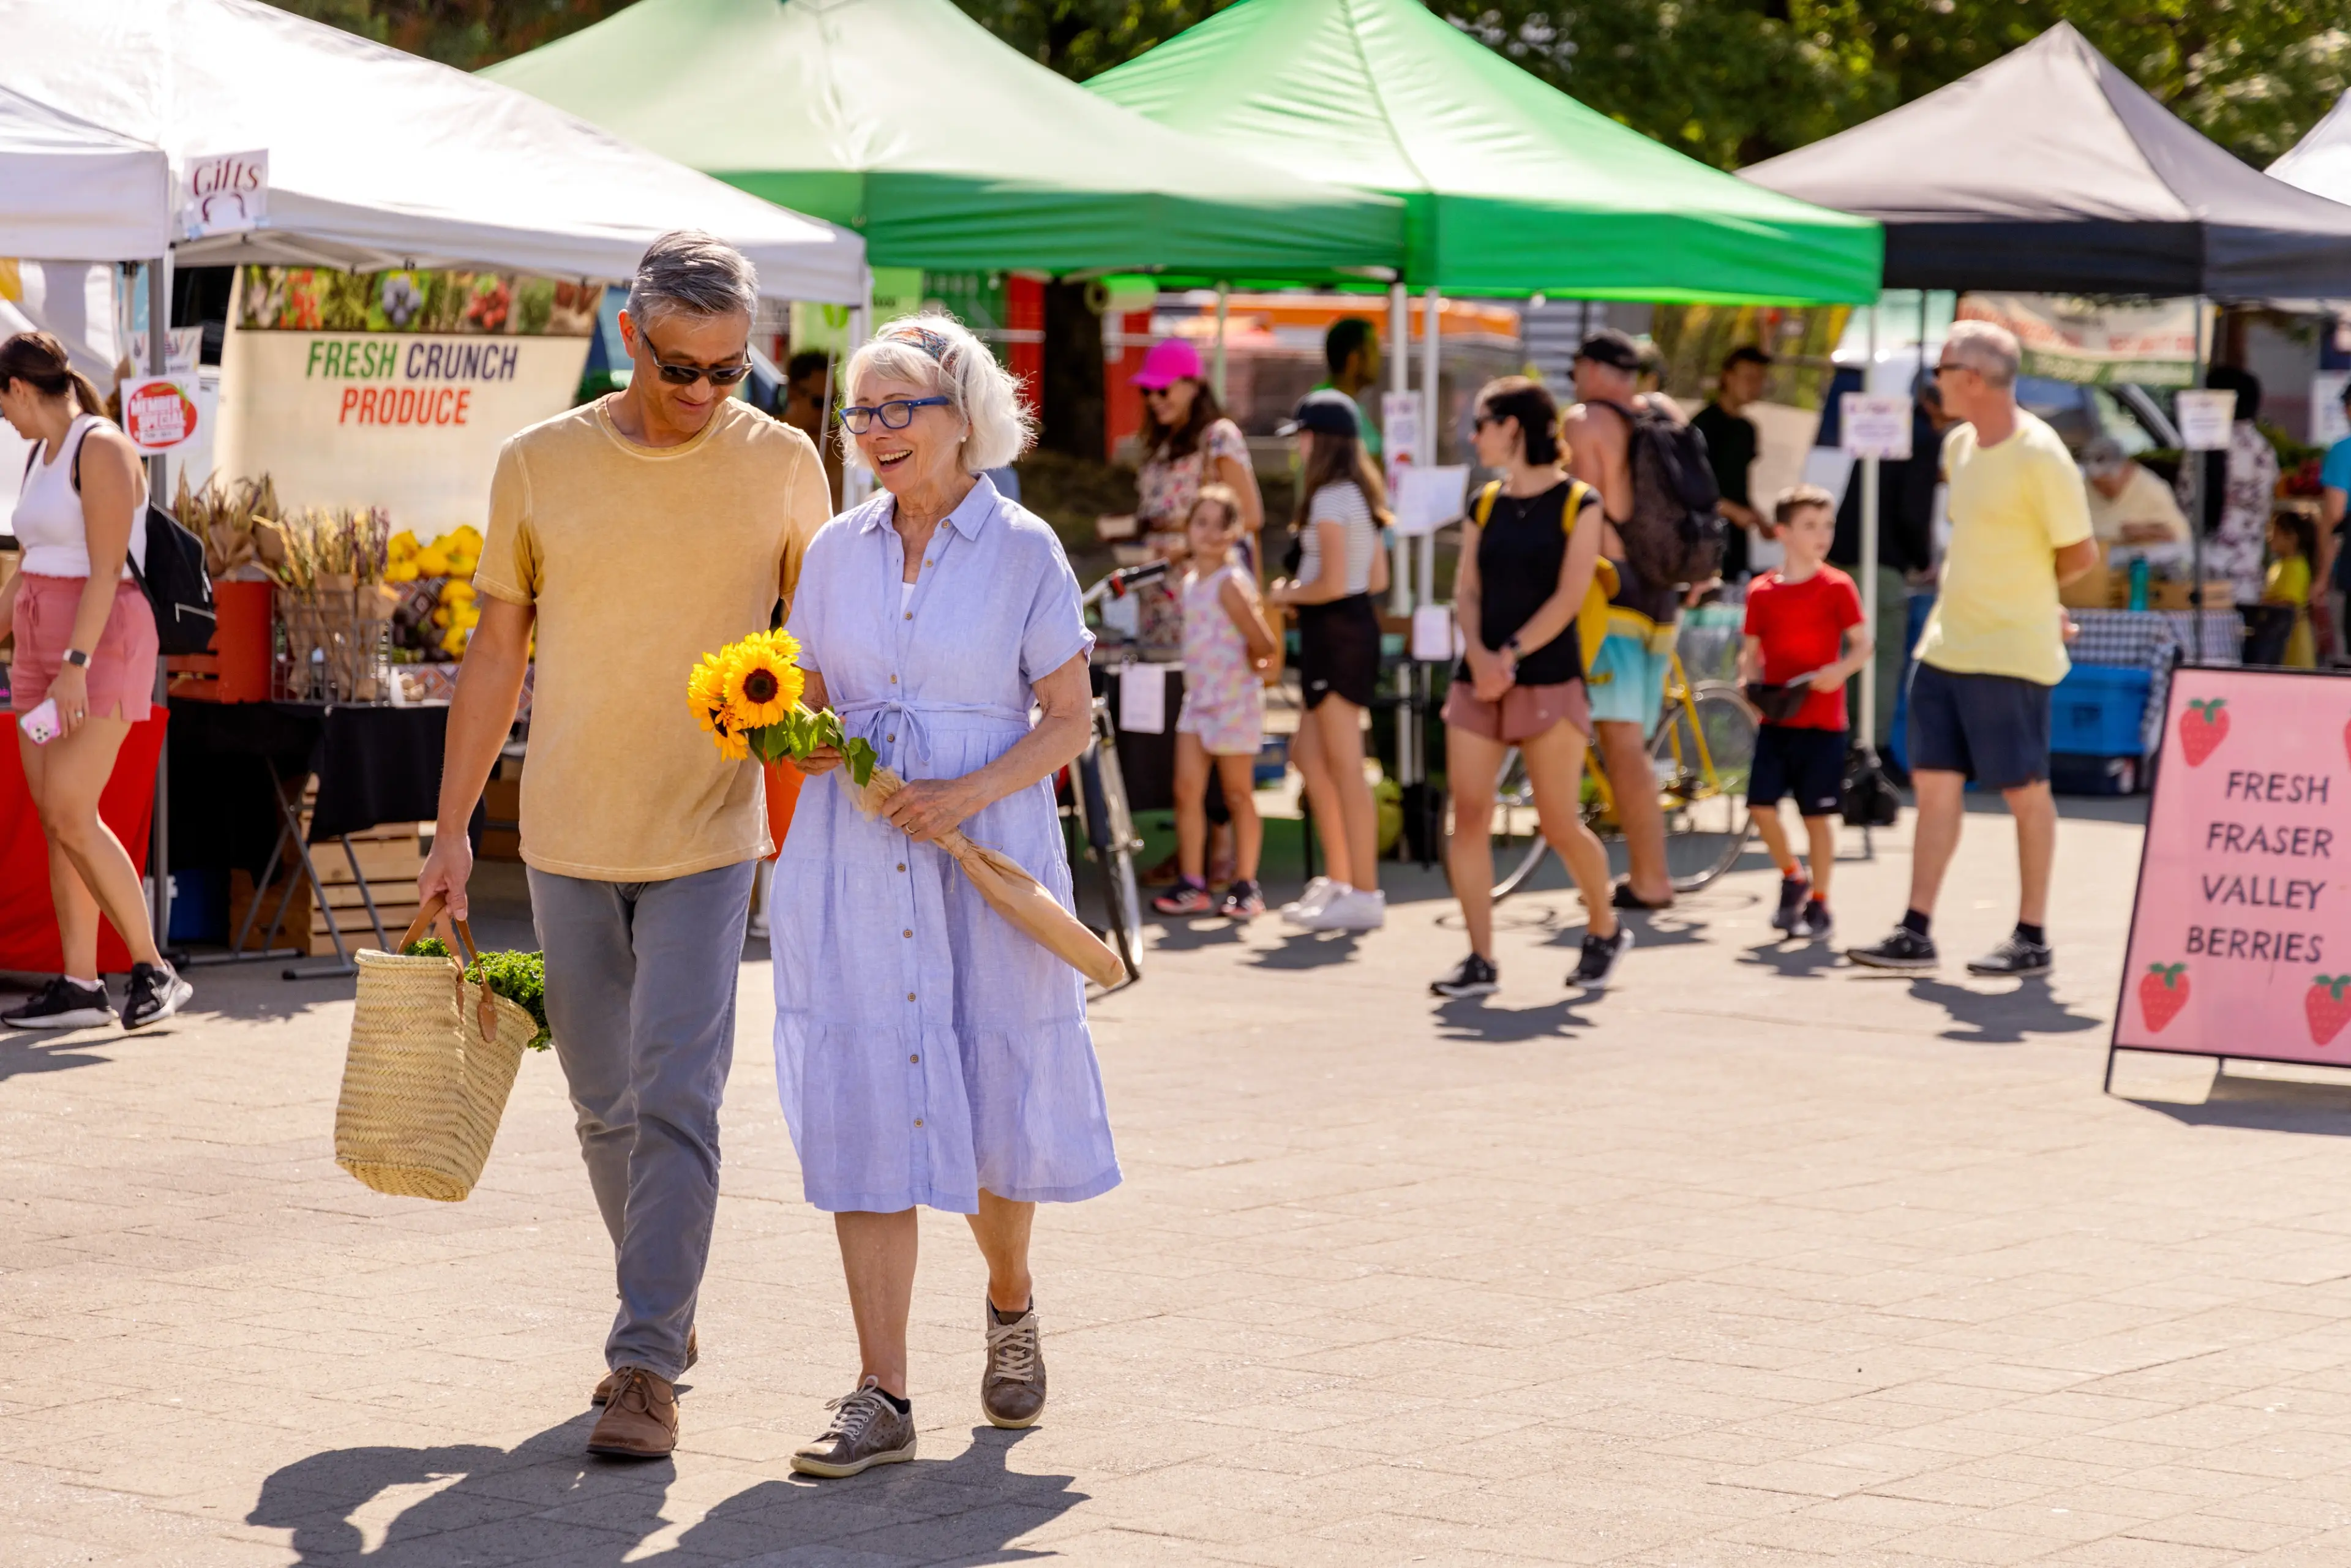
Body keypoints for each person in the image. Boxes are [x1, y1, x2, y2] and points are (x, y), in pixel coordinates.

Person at [418, 232, 832, 1460]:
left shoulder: (787, 462)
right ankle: (668, 1296)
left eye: (729, 370)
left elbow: (823, 641)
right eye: (682, 367)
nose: (707, 393)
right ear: (628, 338)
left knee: (679, 1097)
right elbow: (496, 653)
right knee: (602, 1102)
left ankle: (643, 1359)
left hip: (712, 830)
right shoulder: (540, 462)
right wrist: (448, 832)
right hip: (564, 829)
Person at [775, 312, 1118, 1478]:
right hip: (859, 859)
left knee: (985, 1080)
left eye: (896, 408)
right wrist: (807, 739)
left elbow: (1068, 719)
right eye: (859, 413)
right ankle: (883, 1390)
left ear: (962, 416)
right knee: (872, 1087)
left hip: (983, 848)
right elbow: (809, 701)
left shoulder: (1025, 549)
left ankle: (1010, 1301)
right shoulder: (832, 553)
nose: (871, 431)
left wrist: (965, 792)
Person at [1848, 321, 2098, 978]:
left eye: (1942, 368)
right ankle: (1916, 928)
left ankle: (2032, 934)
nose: (1934, 381)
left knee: (2025, 791)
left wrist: (2037, 598)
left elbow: (2080, 552)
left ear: (1974, 379)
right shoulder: (1958, 445)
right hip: (1947, 645)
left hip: (2012, 651)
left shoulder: (2042, 454)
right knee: (1933, 786)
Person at [0, 331, 192, 1032]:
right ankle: (81, 985)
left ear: (19, 388)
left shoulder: (102, 446)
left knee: (74, 810)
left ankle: (153, 968)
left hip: (99, 649)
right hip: (39, 654)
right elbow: (30, 561)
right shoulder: (38, 456)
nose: (5, 422)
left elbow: (108, 568)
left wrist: (75, 668)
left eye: (3, 406)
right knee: (56, 815)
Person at [1431, 377, 1630, 998]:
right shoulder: (1484, 502)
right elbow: (1466, 589)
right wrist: (1481, 656)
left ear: (1513, 426)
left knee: (1557, 821)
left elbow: (1572, 595)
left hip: (1547, 678)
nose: (1474, 435)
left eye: (1483, 422)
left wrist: (1509, 656)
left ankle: (1604, 927)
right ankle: (1480, 957)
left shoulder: (1580, 502)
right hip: (1479, 678)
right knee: (1467, 816)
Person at [1561, 328, 1682, 910]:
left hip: (1613, 585)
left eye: (1576, 368)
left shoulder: (1585, 422)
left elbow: (1585, 509)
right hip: (1662, 588)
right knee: (1631, 737)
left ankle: (1652, 878)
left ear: (1595, 369)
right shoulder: (1663, 415)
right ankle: (1649, 871)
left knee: (1622, 742)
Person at [1270, 388, 1390, 932]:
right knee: (1311, 757)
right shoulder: (1359, 495)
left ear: (1318, 439)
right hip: (1348, 632)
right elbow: (1377, 579)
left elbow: (1335, 583)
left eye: (1302, 435)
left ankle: (1364, 890)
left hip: (1337, 634)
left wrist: (1286, 594)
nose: (1298, 446)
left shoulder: (1329, 499)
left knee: (1344, 766)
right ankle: (1344, 881)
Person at [1743, 485, 1871, 943]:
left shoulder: (1837, 586)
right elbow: (1751, 651)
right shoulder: (1761, 591)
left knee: (1817, 818)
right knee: (1760, 806)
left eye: (1828, 525)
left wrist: (1840, 671)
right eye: (1810, 526)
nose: (1822, 535)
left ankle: (1819, 899)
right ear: (1782, 532)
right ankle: (1791, 874)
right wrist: (1747, 679)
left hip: (1822, 722)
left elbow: (1862, 645)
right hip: (1777, 718)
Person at [1152, 484, 1277, 920]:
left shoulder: (1230, 584)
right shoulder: (1191, 582)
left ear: (1233, 532)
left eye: (1218, 524)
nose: (1207, 532)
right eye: (1199, 522)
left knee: (1239, 794)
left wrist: (1242, 672)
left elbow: (1264, 642)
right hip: (1198, 702)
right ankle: (1193, 882)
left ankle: (1246, 884)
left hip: (1232, 704)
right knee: (1186, 792)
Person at [2199, 366, 2281, 622]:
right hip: (2248, 575)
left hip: (2206, 577)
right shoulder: (2264, 451)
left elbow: (2186, 505)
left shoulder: (2204, 447)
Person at [1689, 347, 1771, 582]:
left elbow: (1737, 486)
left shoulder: (1748, 429)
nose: (1755, 385)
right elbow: (1691, 488)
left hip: (1738, 543)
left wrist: (1759, 520)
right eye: (1749, 378)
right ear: (1727, 376)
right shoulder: (1702, 426)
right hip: (1705, 539)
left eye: (1760, 379)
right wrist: (1732, 511)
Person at [2080, 435, 2188, 546]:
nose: (2100, 489)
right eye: (2096, 483)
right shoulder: (2085, 488)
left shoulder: (2152, 489)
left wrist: (2147, 532)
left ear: (2127, 469)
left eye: (2107, 482)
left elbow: (2181, 538)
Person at [781, 348, 844, 509]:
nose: (828, 412)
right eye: (819, 402)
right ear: (792, 393)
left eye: (835, 401)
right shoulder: (767, 440)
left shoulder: (844, 445)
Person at [1314, 317, 1383, 460]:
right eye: (1374, 349)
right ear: (1354, 359)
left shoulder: (1348, 406)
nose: (1379, 358)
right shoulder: (1328, 409)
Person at [2260, 510, 2319, 668]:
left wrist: (2262, 605)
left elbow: (2288, 604)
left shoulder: (2296, 566)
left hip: (2291, 638)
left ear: (2291, 537)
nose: (2270, 537)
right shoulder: (2278, 565)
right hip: (2277, 636)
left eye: (2275, 532)